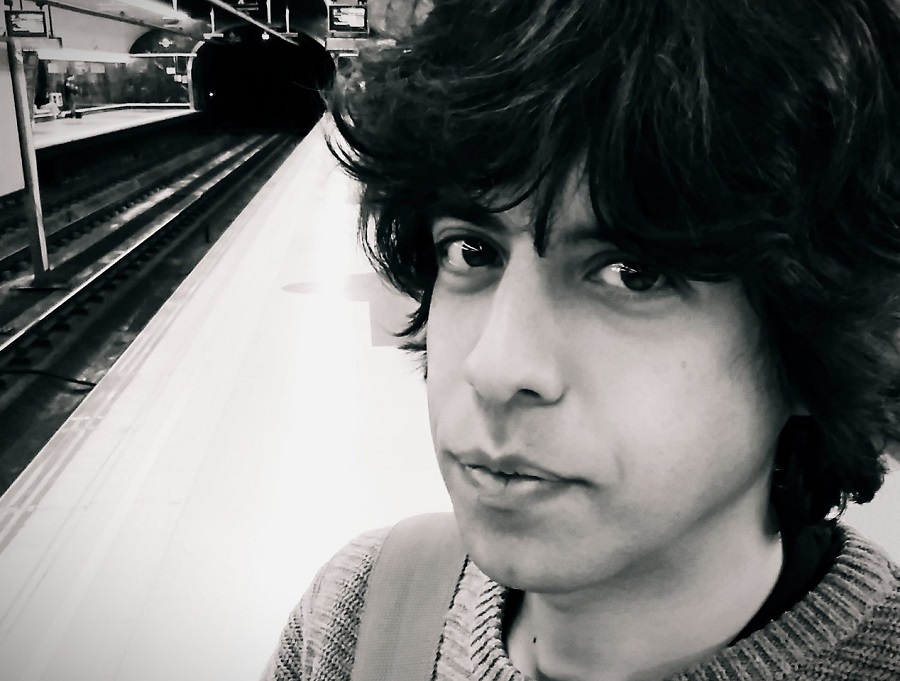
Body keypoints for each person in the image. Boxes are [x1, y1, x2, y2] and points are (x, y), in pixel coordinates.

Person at [262, 0, 900, 679]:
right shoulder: (358, 619)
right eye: (472, 251)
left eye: (633, 273)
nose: (494, 367)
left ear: (824, 339)